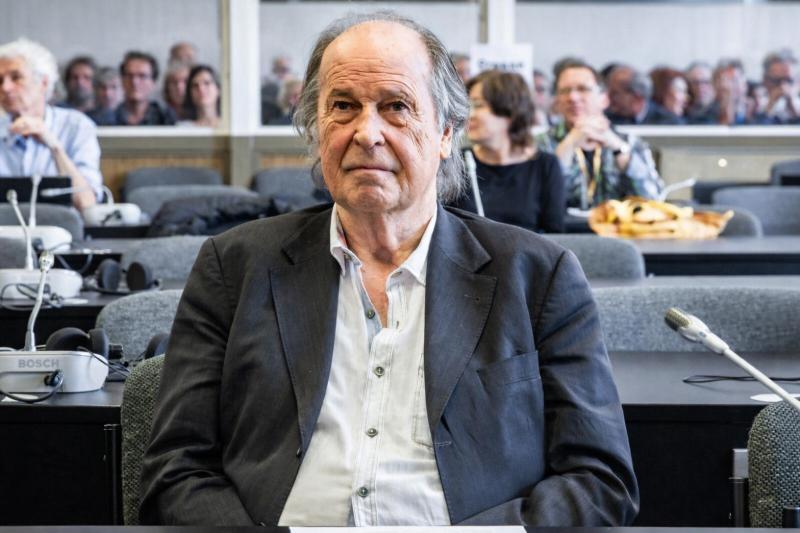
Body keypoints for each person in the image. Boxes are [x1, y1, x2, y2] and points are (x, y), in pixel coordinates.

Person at [139, 12, 637, 527]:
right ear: (316, 129)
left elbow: (597, 478)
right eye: (343, 107)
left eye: (396, 107)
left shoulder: (538, 275)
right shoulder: (235, 267)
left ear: (445, 133)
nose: (366, 133)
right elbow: (176, 468)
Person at [536, 58, 663, 209]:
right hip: (558, 232)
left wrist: (619, 150)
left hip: (616, 230)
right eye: (565, 91)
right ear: (557, 100)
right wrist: (568, 145)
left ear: (604, 99)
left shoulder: (629, 142)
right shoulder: (540, 143)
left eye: (583, 89)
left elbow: (655, 201)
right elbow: (536, 202)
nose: (573, 98)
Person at [451, 70, 564, 232]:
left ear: (509, 110)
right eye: (468, 105)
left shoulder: (546, 166)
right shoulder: (457, 163)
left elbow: (556, 236)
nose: (470, 115)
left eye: (478, 105)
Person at [0, 38, 100, 209]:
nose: (5, 88)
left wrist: (55, 148)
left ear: (43, 83)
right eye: (0, 80)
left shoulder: (77, 126)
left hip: (64, 233)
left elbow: (87, 204)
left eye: (16, 77)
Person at [96, 51, 175, 126]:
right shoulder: (106, 119)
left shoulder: (165, 117)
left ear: (153, 82)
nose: (134, 82)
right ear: (122, 80)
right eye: (129, 76)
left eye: (142, 76)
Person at [605, 64, 680, 125]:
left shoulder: (667, 122)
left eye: (615, 94)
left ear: (637, 97)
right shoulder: (607, 119)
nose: (609, 98)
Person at [759, 49, 800, 124]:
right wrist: (770, 103)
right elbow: (755, 127)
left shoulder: (794, 97)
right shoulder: (758, 98)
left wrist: (791, 106)